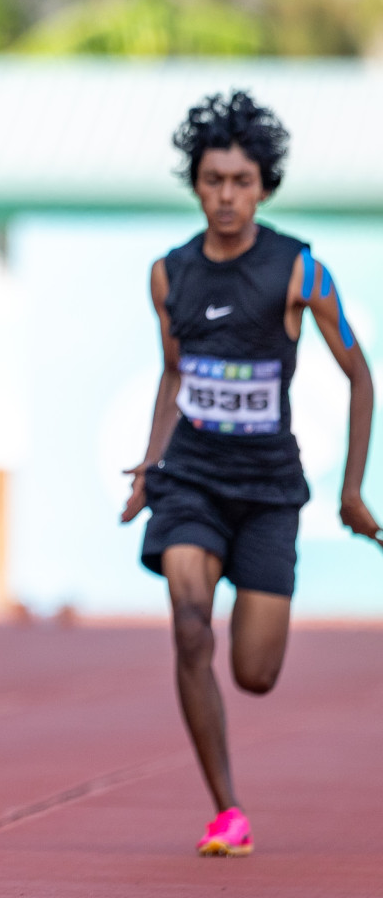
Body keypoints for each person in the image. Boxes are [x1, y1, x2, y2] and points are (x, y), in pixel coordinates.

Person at [121, 91, 381, 856]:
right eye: (212, 181)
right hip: (192, 480)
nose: (226, 196)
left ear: (263, 186)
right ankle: (226, 810)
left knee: (256, 673)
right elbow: (174, 375)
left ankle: (244, 582)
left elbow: (361, 377)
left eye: (241, 181)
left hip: (268, 492)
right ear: (196, 184)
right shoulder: (168, 277)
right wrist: (149, 465)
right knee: (190, 624)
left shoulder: (299, 270)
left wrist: (353, 489)